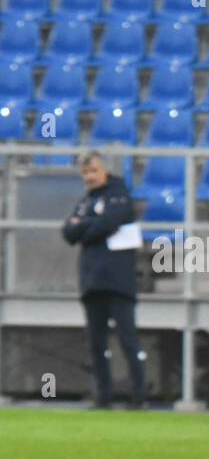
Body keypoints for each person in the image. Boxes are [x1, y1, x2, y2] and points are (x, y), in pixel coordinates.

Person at [61, 151, 146, 409]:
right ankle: (103, 397)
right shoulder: (86, 202)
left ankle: (139, 398)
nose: (89, 177)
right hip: (92, 281)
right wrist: (88, 226)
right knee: (96, 344)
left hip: (118, 281)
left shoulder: (120, 196)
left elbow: (108, 222)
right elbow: (68, 232)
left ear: (105, 171)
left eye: (93, 171)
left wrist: (84, 227)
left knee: (128, 340)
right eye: (85, 173)